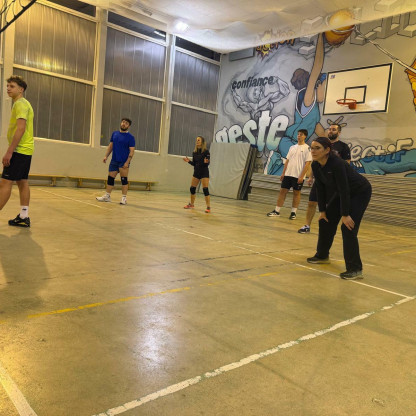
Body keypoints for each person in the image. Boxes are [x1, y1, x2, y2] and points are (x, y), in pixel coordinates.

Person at [306, 137, 372, 280]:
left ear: (327, 150)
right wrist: (322, 211)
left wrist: (345, 214)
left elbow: (344, 189)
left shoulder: (337, 163)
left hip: (359, 192)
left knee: (347, 227)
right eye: (312, 148)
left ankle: (355, 269)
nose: (313, 151)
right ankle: (322, 256)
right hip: (341, 192)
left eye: (317, 148)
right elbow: (320, 189)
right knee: (325, 221)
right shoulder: (316, 165)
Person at [298, 123, 351, 233]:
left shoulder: (343, 147)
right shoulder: (320, 144)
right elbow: (316, 163)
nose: (331, 131)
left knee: (330, 206)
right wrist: (311, 177)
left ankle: (328, 227)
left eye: (334, 129)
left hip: (334, 182)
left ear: (339, 132)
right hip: (321, 179)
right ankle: (307, 225)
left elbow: (347, 165)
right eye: (329, 129)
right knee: (312, 202)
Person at [0, 75, 34, 227]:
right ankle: (23, 216)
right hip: (26, 150)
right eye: (8, 86)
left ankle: (23, 216)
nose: (8, 88)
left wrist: (9, 151)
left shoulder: (20, 104)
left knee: (5, 183)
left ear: (21, 89)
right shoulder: (24, 103)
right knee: (22, 181)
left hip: (19, 150)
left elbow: (21, 128)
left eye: (12, 86)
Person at [267, 129, 311, 219]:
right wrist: (283, 173)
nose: (299, 136)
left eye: (301, 134)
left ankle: (293, 213)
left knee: (296, 193)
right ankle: (277, 211)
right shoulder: (292, 147)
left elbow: (307, 164)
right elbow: (287, 161)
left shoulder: (307, 148)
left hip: (298, 176)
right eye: (298, 134)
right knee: (282, 192)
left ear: (305, 136)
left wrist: (302, 176)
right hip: (288, 175)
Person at [96, 118, 135, 205]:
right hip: (114, 161)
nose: (124, 124)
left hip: (123, 162)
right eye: (123, 122)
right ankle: (107, 196)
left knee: (124, 179)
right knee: (110, 178)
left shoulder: (130, 137)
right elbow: (111, 146)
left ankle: (124, 198)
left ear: (128, 126)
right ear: (121, 123)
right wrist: (106, 156)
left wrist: (127, 162)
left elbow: (132, 151)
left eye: (126, 123)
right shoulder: (115, 134)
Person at [183, 136, 211, 213]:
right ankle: (191, 204)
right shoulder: (194, 152)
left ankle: (208, 207)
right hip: (196, 172)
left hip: (204, 172)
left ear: (202, 142)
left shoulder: (206, 152)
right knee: (192, 188)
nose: (197, 141)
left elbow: (208, 163)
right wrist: (188, 161)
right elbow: (194, 164)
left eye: (198, 140)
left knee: (205, 189)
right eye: (196, 140)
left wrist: (206, 162)